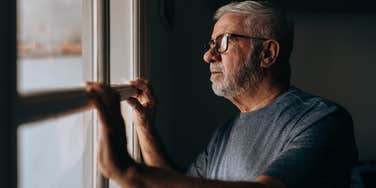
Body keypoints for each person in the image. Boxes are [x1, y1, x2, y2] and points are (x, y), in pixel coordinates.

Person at [86, 1, 358, 188]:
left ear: (267, 54)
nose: (208, 56)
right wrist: (145, 126)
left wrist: (129, 172)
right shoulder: (225, 133)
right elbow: (173, 183)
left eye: (224, 42)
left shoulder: (323, 120)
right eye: (210, 44)